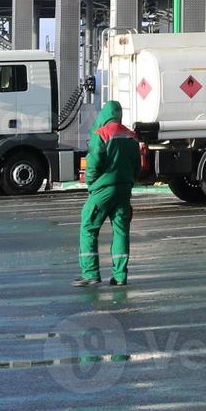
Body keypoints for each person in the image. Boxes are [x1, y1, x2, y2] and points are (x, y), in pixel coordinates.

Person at [75, 100, 140, 287]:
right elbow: (138, 166)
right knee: (121, 231)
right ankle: (120, 276)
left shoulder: (101, 134)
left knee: (89, 227)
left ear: (104, 114)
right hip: (124, 190)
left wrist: (90, 182)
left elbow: (93, 162)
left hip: (103, 190)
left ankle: (90, 273)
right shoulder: (131, 136)